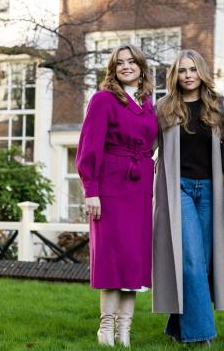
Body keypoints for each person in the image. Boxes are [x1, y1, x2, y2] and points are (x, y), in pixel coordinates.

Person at [151, 49, 224, 345]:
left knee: (200, 262)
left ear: (201, 72)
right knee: (190, 260)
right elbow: (143, 144)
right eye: (182, 70)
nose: (188, 76)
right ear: (175, 74)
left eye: (193, 70)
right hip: (179, 191)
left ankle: (177, 327)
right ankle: (202, 335)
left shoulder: (219, 107)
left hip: (210, 191)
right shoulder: (163, 107)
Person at [76, 44, 157, 347]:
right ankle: (105, 328)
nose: (126, 66)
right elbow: (88, 148)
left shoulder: (148, 102)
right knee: (112, 259)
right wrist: (91, 191)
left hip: (138, 189)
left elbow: (152, 145)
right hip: (110, 187)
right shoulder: (103, 100)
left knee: (133, 261)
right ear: (113, 69)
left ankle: (125, 329)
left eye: (131, 61)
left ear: (140, 66)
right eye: (119, 63)